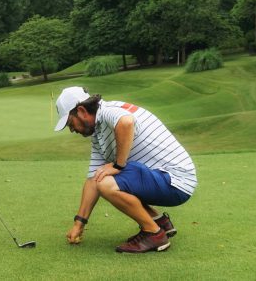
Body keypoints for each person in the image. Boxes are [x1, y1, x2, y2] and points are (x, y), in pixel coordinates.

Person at [54, 86, 197, 253]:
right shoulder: (99, 132)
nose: (72, 130)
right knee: (103, 178)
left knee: (108, 183)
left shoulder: (108, 111)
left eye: (70, 123)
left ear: (82, 111)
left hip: (175, 181)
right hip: (166, 179)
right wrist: (79, 224)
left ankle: (154, 234)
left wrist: (117, 165)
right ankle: (159, 222)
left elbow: (126, 122)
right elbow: (94, 179)